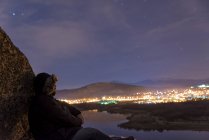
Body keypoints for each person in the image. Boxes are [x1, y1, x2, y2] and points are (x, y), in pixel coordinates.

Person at [28, 73, 134, 140]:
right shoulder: (43, 102)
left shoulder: (46, 99)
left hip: (64, 134)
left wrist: (77, 111)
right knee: (92, 132)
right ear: (45, 87)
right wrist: (79, 121)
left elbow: (64, 104)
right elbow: (64, 118)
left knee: (92, 135)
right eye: (52, 85)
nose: (54, 87)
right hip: (59, 137)